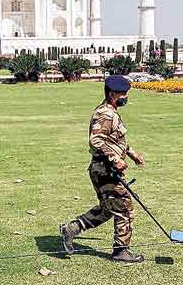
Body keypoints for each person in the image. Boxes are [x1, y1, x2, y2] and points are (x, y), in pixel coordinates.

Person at [59, 75, 146, 263]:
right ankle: (121, 251)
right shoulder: (105, 114)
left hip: (103, 168)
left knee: (108, 208)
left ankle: (71, 229)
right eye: (123, 94)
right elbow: (96, 140)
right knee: (124, 208)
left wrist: (131, 153)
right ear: (113, 94)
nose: (126, 97)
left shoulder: (111, 112)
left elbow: (114, 139)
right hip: (106, 169)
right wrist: (115, 159)